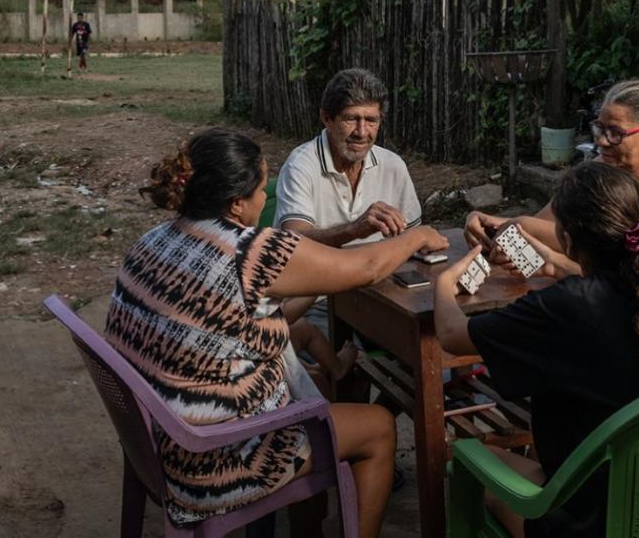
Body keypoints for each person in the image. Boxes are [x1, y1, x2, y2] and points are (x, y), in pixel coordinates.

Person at [104, 128, 448, 537]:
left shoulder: (155, 240)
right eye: (262, 190)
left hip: (160, 438)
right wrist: (417, 236)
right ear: (236, 203)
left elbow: (266, 310)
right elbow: (368, 268)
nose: (265, 199)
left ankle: (309, 528)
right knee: (376, 426)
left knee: (317, 383)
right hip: (214, 459)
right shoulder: (251, 251)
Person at [436, 161, 639, 538]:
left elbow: (453, 334)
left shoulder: (567, 307)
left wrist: (445, 282)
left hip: (599, 523)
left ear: (567, 236)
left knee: (471, 461)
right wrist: (555, 264)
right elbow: (609, 290)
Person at [465, 69, 639, 362]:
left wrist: (544, 251)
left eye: (616, 133)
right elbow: (546, 222)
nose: (602, 142)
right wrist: (486, 221)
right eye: (600, 129)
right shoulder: (602, 172)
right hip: (617, 312)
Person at [274, 67, 424, 338]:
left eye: (371, 120)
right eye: (351, 119)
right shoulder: (301, 166)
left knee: (429, 343)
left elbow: (413, 243)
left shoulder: (392, 166)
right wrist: (355, 229)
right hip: (315, 301)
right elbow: (292, 243)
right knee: (336, 350)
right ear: (326, 118)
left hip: (382, 295)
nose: (362, 132)